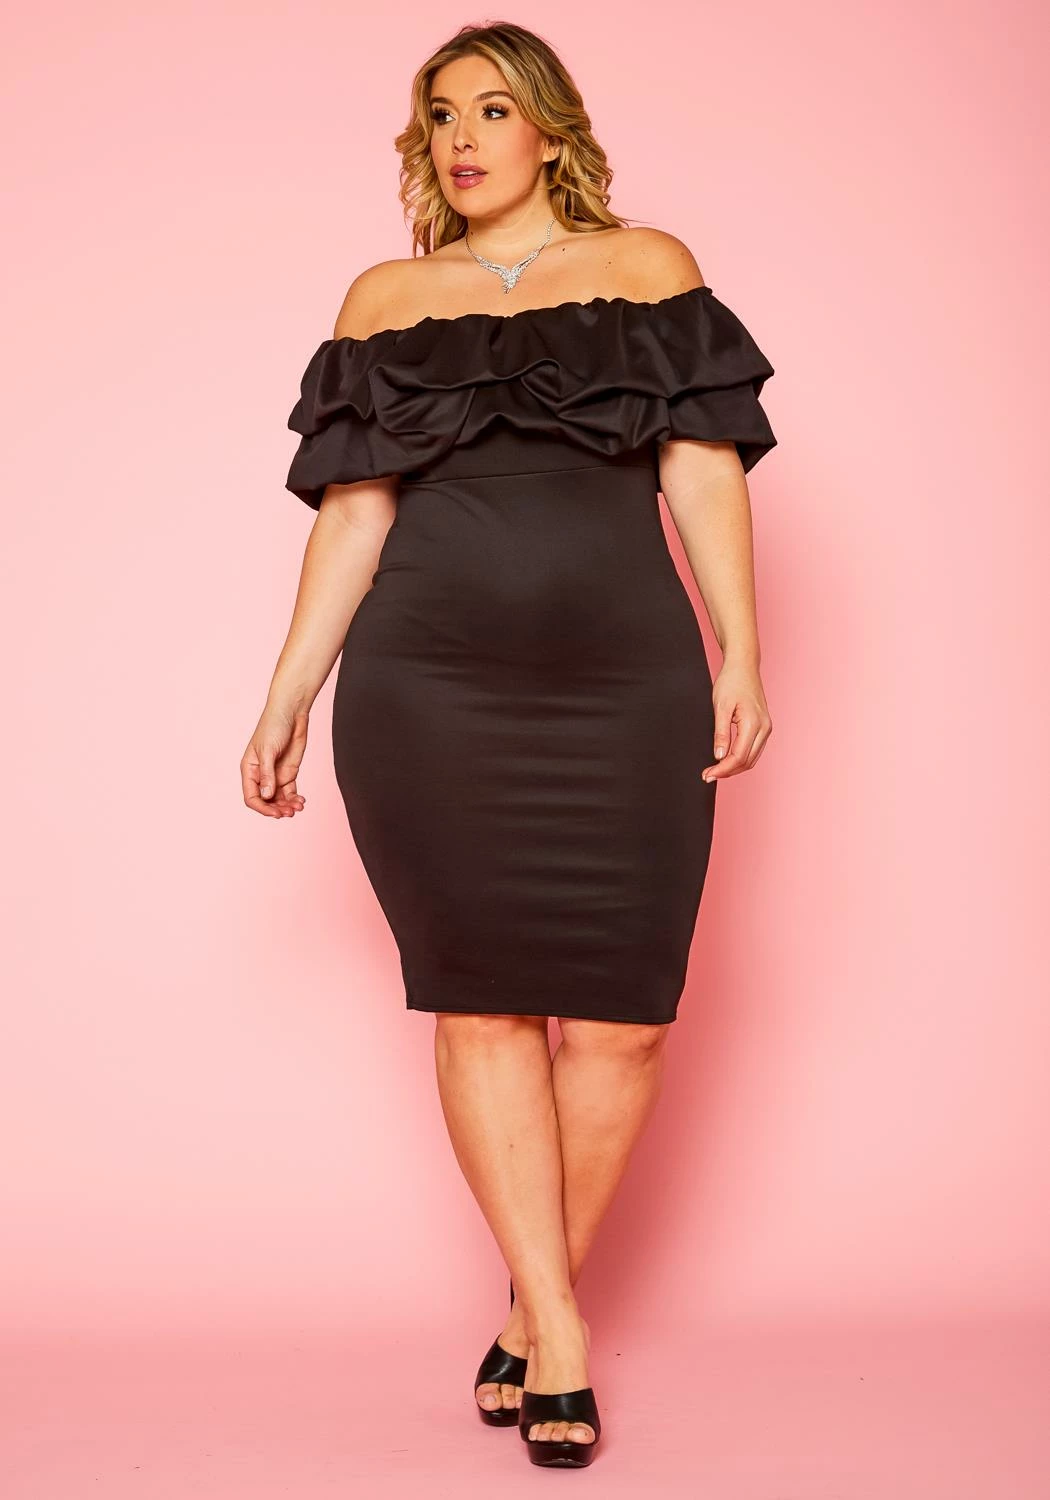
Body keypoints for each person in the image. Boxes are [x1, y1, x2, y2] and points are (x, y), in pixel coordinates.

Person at [241, 21, 776, 1470]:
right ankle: (560, 1337)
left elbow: (701, 467)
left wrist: (740, 648)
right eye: (439, 117)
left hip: (625, 681)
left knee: (624, 1021)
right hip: (429, 689)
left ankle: (530, 1312)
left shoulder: (648, 269)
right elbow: (354, 514)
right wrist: (287, 695)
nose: (462, 138)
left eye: (489, 109)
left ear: (549, 127)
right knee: (480, 1006)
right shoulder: (384, 298)